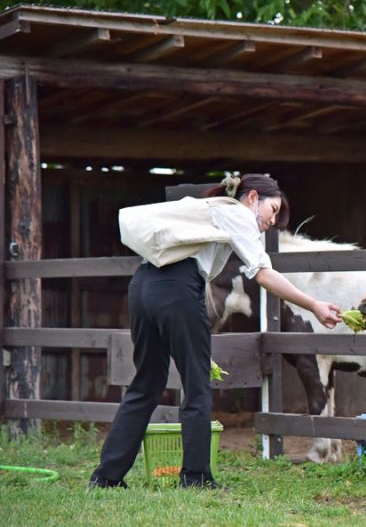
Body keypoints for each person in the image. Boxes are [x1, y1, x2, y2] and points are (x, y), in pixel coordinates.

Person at [89, 173, 341, 489]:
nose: (273, 221)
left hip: (142, 286)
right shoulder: (237, 214)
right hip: (178, 289)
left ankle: (106, 477)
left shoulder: (210, 211)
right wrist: (314, 304)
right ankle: (195, 477)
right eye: (272, 210)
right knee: (197, 385)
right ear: (252, 198)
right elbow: (263, 274)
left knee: (146, 384)